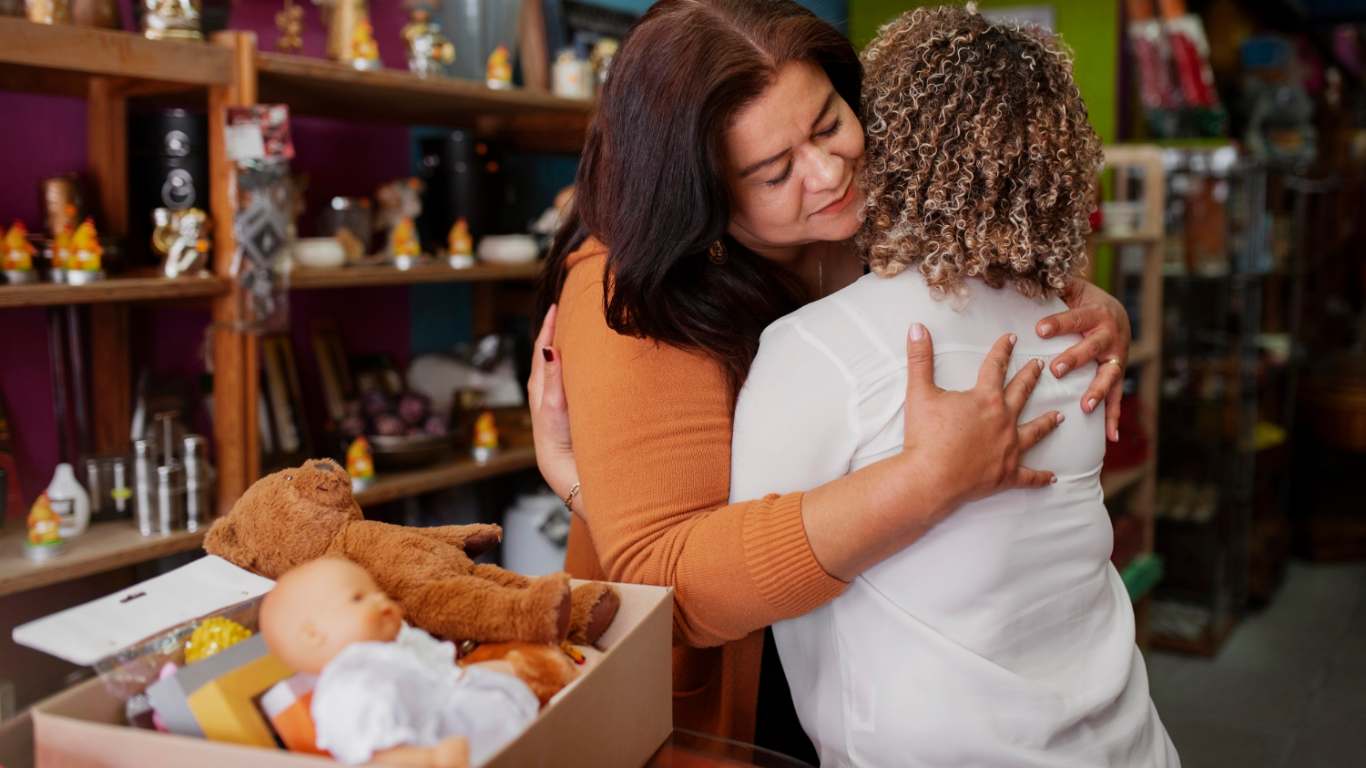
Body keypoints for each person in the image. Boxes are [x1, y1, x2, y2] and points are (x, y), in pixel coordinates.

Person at [526, 0, 1132, 746]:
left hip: (873, 659)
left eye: (829, 123)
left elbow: (981, 287)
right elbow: (665, 573)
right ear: (699, 198)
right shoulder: (628, 291)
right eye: (774, 171)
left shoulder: (868, 217)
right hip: (731, 689)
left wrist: (1086, 305)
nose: (830, 171)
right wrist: (922, 484)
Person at [728, 8, 1178, 766]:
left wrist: (575, 476)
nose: (828, 170)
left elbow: (730, 583)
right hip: (1129, 741)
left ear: (887, 137)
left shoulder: (818, 349)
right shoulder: (1072, 324)